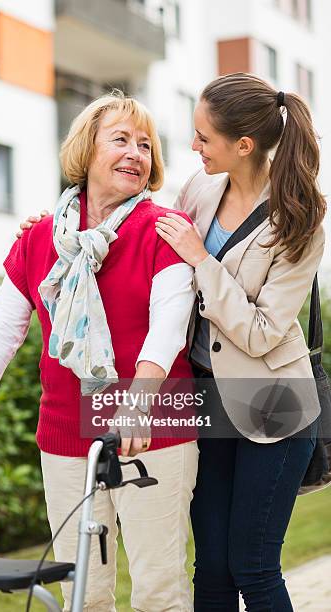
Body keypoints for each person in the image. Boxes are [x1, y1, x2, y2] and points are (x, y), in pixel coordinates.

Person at [0, 93, 199, 612]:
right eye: (120, 139)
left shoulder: (163, 230)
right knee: (83, 592)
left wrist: (138, 400)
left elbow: (169, 324)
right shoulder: (42, 238)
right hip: (66, 431)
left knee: (159, 589)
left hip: (155, 427)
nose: (135, 153)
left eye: (145, 145)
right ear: (86, 150)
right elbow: (3, 326)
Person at [155, 73, 326, 611]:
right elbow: (148, 238)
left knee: (252, 566)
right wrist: (63, 219)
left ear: (244, 145)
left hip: (274, 400)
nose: (193, 146)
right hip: (207, 398)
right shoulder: (199, 189)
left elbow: (261, 331)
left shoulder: (301, 217)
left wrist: (202, 260)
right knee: (211, 572)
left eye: (204, 137)